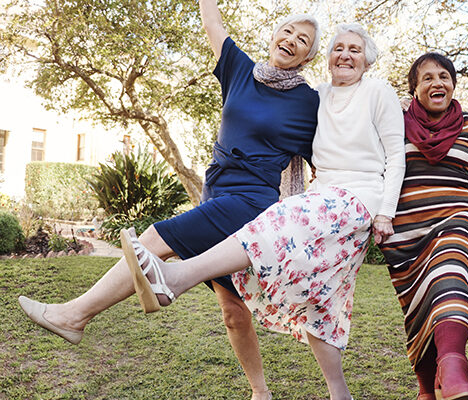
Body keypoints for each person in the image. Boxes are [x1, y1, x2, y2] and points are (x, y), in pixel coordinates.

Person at [18, 2, 320, 399]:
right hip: (217, 190)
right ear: (274, 35)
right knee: (233, 312)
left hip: (251, 203)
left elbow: (342, 143)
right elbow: (212, 21)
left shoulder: (310, 103)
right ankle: (261, 393)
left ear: (308, 57)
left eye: (303, 41)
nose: (292, 41)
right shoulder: (240, 71)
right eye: (289, 31)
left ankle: (74, 315)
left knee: (155, 239)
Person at [118, 23, 403, 400]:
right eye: (338, 48)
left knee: (276, 219)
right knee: (321, 301)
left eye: (354, 49)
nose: (345, 55)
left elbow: (398, 155)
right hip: (322, 195)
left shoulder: (379, 91)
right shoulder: (315, 97)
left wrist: (386, 213)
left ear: (367, 59)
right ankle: (339, 393)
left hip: (359, 197)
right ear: (326, 58)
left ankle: (176, 277)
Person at [377, 52, 468, 400]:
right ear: (414, 88)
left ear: (453, 84)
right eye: (427, 77)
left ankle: (455, 368)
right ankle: (427, 390)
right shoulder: (393, 123)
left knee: (449, 279)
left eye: (443, 76)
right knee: (417, 313)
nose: (437, 83)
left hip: (455, 220)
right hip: (403, 233)